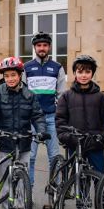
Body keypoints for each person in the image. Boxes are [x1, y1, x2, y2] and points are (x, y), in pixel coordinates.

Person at [0, 57, 47, 209]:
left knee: (22, 184)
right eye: (7, 76)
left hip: (24, 142)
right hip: (6, 143)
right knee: (7, 184)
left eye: (14, 75)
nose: (10, 78)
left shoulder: (29, 94)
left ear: (20, 75)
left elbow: (37, 115)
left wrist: (41, 130)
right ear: (3, 77)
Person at [55, 55, 104, 209]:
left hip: (95, 144)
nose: (84, 75)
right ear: (74, 74)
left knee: (100, 180)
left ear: (92, 73)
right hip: (76, 144)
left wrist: (103, 138)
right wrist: (68, 138)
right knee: (80, 179)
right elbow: (60, 122)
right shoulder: (66, 97)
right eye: (80, 71)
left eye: (87, 71)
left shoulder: (100, 97)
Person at [24, 32, 66, 188]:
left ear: (49, 47)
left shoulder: (57, 67)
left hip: (50, 117)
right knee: (31, 156)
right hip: (32, 119)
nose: (42, 48)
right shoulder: (26, 67)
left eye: (45, 45)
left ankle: (55, 191)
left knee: (54, 156)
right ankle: (29, 191)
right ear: (34, 47)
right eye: (39, 45)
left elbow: (61, 95)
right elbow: (23, 93)